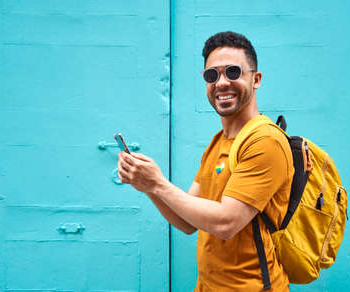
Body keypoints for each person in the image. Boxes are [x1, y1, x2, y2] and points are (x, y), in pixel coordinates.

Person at [117, 31, 294, 291]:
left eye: (233, 72)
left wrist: (158, 184)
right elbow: (187, 223)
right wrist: (149, 187)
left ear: (255, 80)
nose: (221, 83)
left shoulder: (265, 141)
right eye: (212, 75)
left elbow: (226, 223)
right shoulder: (218, 142)